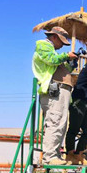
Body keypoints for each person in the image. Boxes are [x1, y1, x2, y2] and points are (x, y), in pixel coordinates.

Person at [32, 26, 78, 165]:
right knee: (55, 121)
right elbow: (51, 59)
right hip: (54, 90)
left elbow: (62, 66)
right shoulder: (43, 46)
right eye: (61, 42)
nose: (61, 46)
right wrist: (66, 56)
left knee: (61, 124)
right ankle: (49, 156)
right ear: (54, 37)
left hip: (61, 90)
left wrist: (71, 63)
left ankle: (55, 155)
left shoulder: (53, 52)